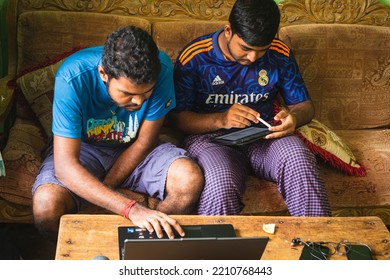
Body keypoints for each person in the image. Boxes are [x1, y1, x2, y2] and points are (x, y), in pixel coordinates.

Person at [32, 25, 204, 241]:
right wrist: (131, 208)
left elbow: (144, 141)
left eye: (146, 93)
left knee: (189, 179)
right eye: (128, 94)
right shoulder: (71, 77)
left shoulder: (161, 68)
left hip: (137, 148)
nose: (139, 101)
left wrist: (105, 191)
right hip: (84, 149)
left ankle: (148, 256)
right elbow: (66, 167)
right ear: (103, 73)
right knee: (46, 205)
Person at [168, 0, 331, 216]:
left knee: (298, 158)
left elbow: (304, 106)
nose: (253, 57)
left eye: (261, 50)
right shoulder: (196, 57)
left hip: (264, 136)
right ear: (228, 31)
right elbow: (175, 119)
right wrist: (221, 119)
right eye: (245, 48)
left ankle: (318, 245)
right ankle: (214, 250)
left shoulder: (279, 53)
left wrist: (293, 117)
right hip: (211, 139)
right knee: (219, 181)